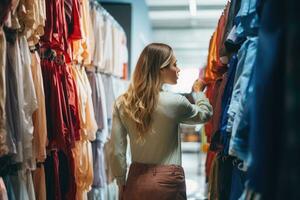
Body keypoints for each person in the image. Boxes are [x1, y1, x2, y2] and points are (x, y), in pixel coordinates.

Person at [110, 43, 213, 200]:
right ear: (161, 69)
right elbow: (205, 114)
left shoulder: (122, 102)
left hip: (136, 180)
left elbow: (117, 151)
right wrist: (198, 93)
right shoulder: (175, 102)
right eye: (174, 64)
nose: (178, 69)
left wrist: (121, 182)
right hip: (168, 181)